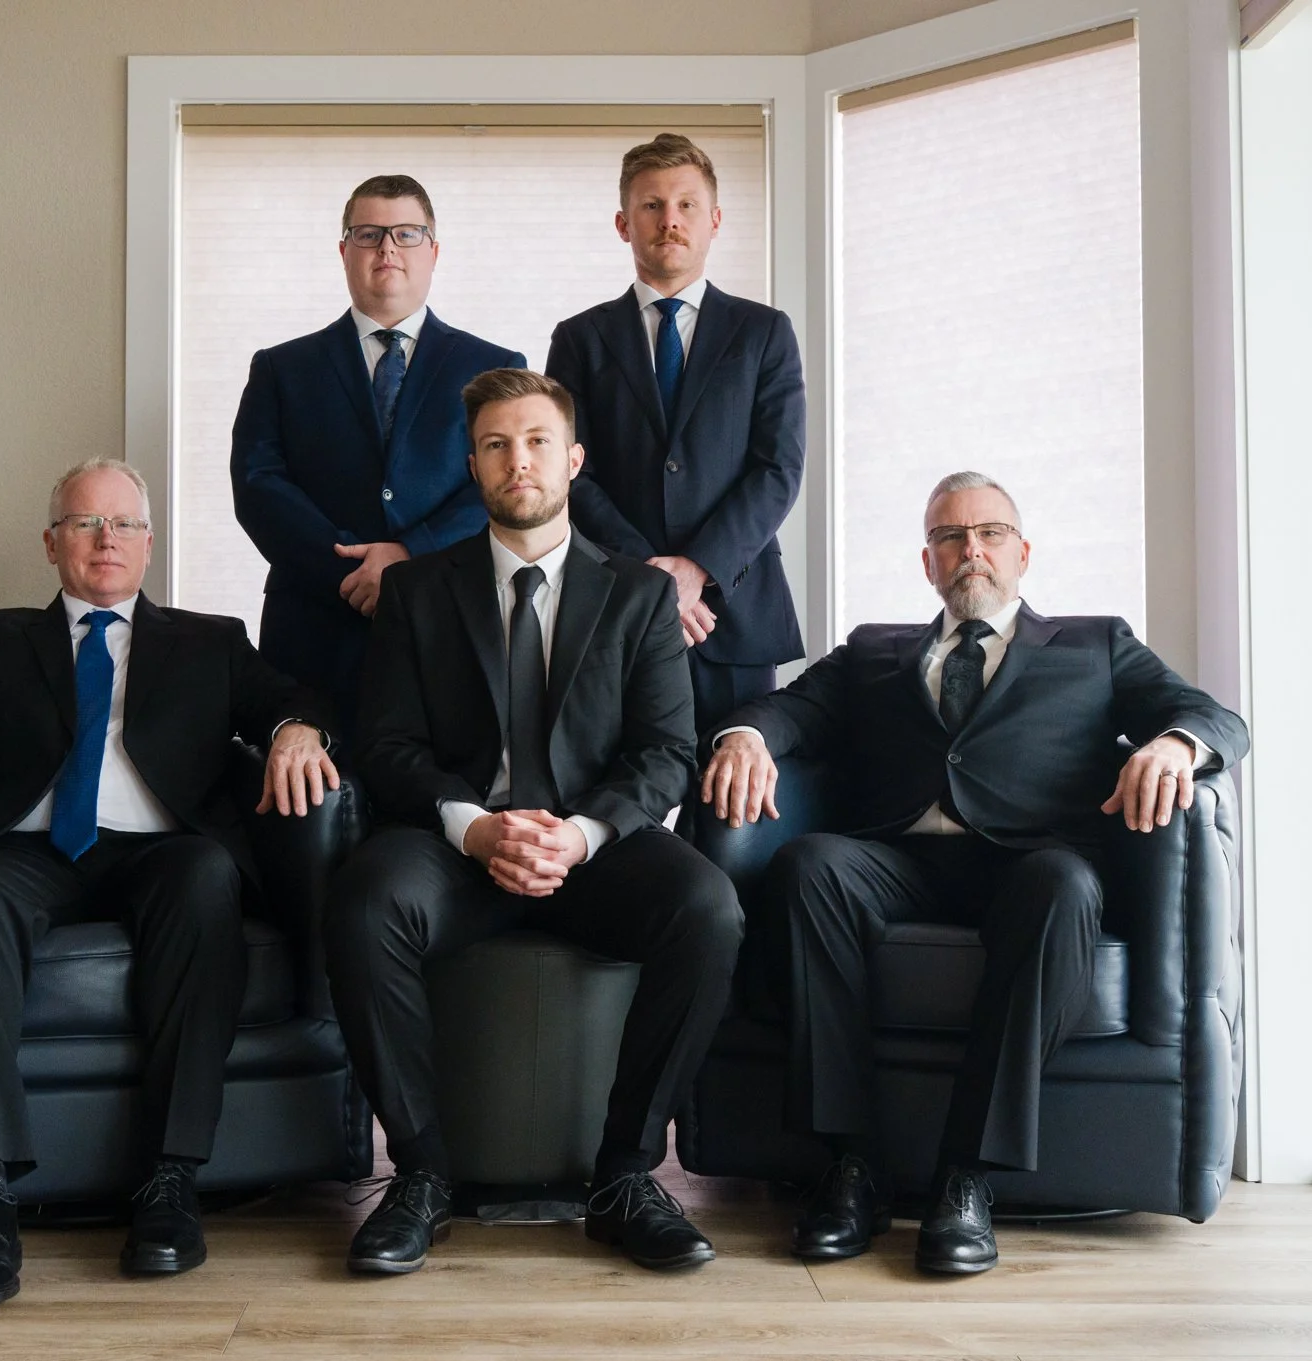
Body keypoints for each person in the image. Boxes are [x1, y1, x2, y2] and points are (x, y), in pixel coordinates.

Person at [700, 471, 1248, 1275]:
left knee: (1063, 886)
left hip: (1032, 863)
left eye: (989, 533)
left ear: (1022, 552)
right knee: (809, 863)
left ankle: (967, 1175)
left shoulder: (1096, 646)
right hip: (899, 860)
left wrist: (1173, 745)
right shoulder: (872, 652)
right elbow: (790, 709)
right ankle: (851, 1165)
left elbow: (1215, 717)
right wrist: (743, 735)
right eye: (950, 537)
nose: (971, 551)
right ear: (928, 563)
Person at [0, 458, 338, 1312]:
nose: (108, 539)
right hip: (31, 853)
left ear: (148, 544)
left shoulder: (209, 641)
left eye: (126, 525)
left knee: (208, 876)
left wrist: (294, 731)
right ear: (52, 542)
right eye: (86, 523)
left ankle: (171, 1182)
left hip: (162, 850)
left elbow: (289, 698)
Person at [326, 368, 743, 1275]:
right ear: (473, 464)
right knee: (364, 900)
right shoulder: (418, 592)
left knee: (709, 908)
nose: (520, 460)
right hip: (459, 848)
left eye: (538, 441)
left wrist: (581, 833)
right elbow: (388, 747)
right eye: (497, 444)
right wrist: (475, 827)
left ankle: (626, 1175)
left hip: (594, 848)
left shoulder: (639, 596)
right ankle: (423, 1174)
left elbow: (667, 752)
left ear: (574, 459)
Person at [232, 173, 525, 733]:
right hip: (314, 627)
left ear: (433, 252)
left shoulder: (496, 366)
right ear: (344, 251)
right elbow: (257, 484)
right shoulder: (281, 368)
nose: (387, 248)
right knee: (311, 807)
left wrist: (409, 556)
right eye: (368, 234)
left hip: (447, 625)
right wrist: (350, 571)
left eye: (407, 233)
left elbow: (505, 481)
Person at [545, 133, 806, 737]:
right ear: (623, 223)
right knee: (619, 804)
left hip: (731, 610)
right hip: (614, 608)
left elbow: (779, 468)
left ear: (714, 220)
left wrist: (696, 569)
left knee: (727, 806)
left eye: (687, 205)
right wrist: (649, 575)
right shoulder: (578, 339)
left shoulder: (764, 332)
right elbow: (567, 472)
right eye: (651, 205)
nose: (670, 221)